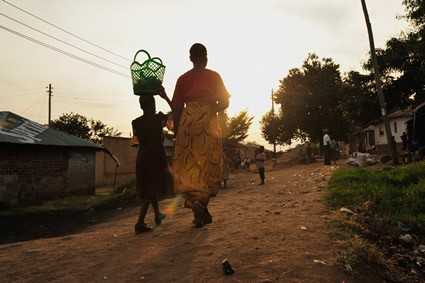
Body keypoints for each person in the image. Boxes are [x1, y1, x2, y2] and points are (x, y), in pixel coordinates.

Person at [172, 43, 230, 228]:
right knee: (209, 165)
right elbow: (225, 102)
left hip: (187, 122)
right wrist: (211, 108)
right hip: (207, 123)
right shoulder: (214, 76)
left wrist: (177, 131)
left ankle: (198, 215)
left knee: (191, 166)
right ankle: (201, 203)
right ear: (206, 57)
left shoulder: (182, 79)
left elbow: (176, 107)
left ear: (190, 58)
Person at [131, 87, 173, 234]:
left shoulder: (135, 122)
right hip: (155, 155)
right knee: (151, 188)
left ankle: (157, 215)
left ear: (141, 106)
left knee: (149, 185)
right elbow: (173, 115)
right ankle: (140, 223)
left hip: (142, 155)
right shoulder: (158, 119)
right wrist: (166, 97)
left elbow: (135, 141)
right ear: (154, 105)